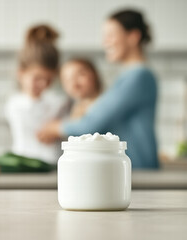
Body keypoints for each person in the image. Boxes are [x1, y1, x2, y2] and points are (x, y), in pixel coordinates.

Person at [39, 9, 159, 169]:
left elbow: (91, 124)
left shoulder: (139, 77)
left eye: (111, 35)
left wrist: (54, 127)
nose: (105, 42)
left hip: (139, 170)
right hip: (131, 171)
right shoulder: (130, 77)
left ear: (133, 37)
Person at [5, 24, 69, 164]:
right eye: (37, 78)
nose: (43, 84)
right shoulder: (15, 103)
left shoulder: (60, 101)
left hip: (54, 165)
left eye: (49, 79)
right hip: (23, 165)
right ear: (20, 73)